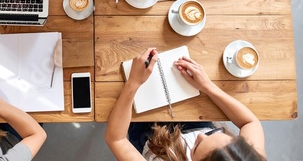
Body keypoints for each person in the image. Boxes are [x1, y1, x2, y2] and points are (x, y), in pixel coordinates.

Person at [105, 48, 266, 160]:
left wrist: (133, 83)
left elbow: (116, 139)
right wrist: (207, 86)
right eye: (219, 135)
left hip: (152, 142)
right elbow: (250, 122)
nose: (201, 136)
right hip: (195, 121)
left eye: (196, 147)